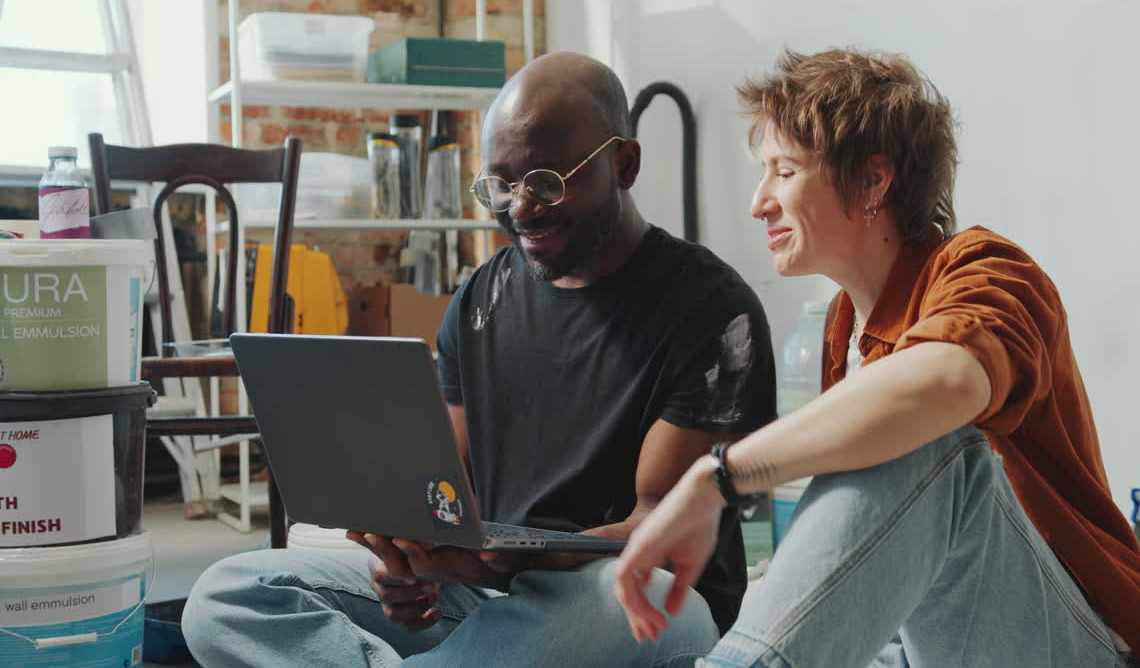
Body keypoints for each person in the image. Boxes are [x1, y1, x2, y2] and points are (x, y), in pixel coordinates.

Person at [614, 47, 1140, 668]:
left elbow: (944, 383)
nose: (759, 201)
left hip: (1074, 645)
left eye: (783, 171)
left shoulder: (988, 270)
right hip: (927, 644)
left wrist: (719, 477)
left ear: (872, 180)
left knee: (918, 435)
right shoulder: (845, 325)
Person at [181, 52, 777, 668]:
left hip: (624, 600)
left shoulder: (712, 313)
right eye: (500, 183)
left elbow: (661, 528)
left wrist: (514, 559)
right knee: (229, 596)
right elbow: (445, 491)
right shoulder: (480, 300)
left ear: (623, 164)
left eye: (547, 180)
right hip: (493, 600)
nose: (519, 208)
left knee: (633, 601)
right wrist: (415, 561)